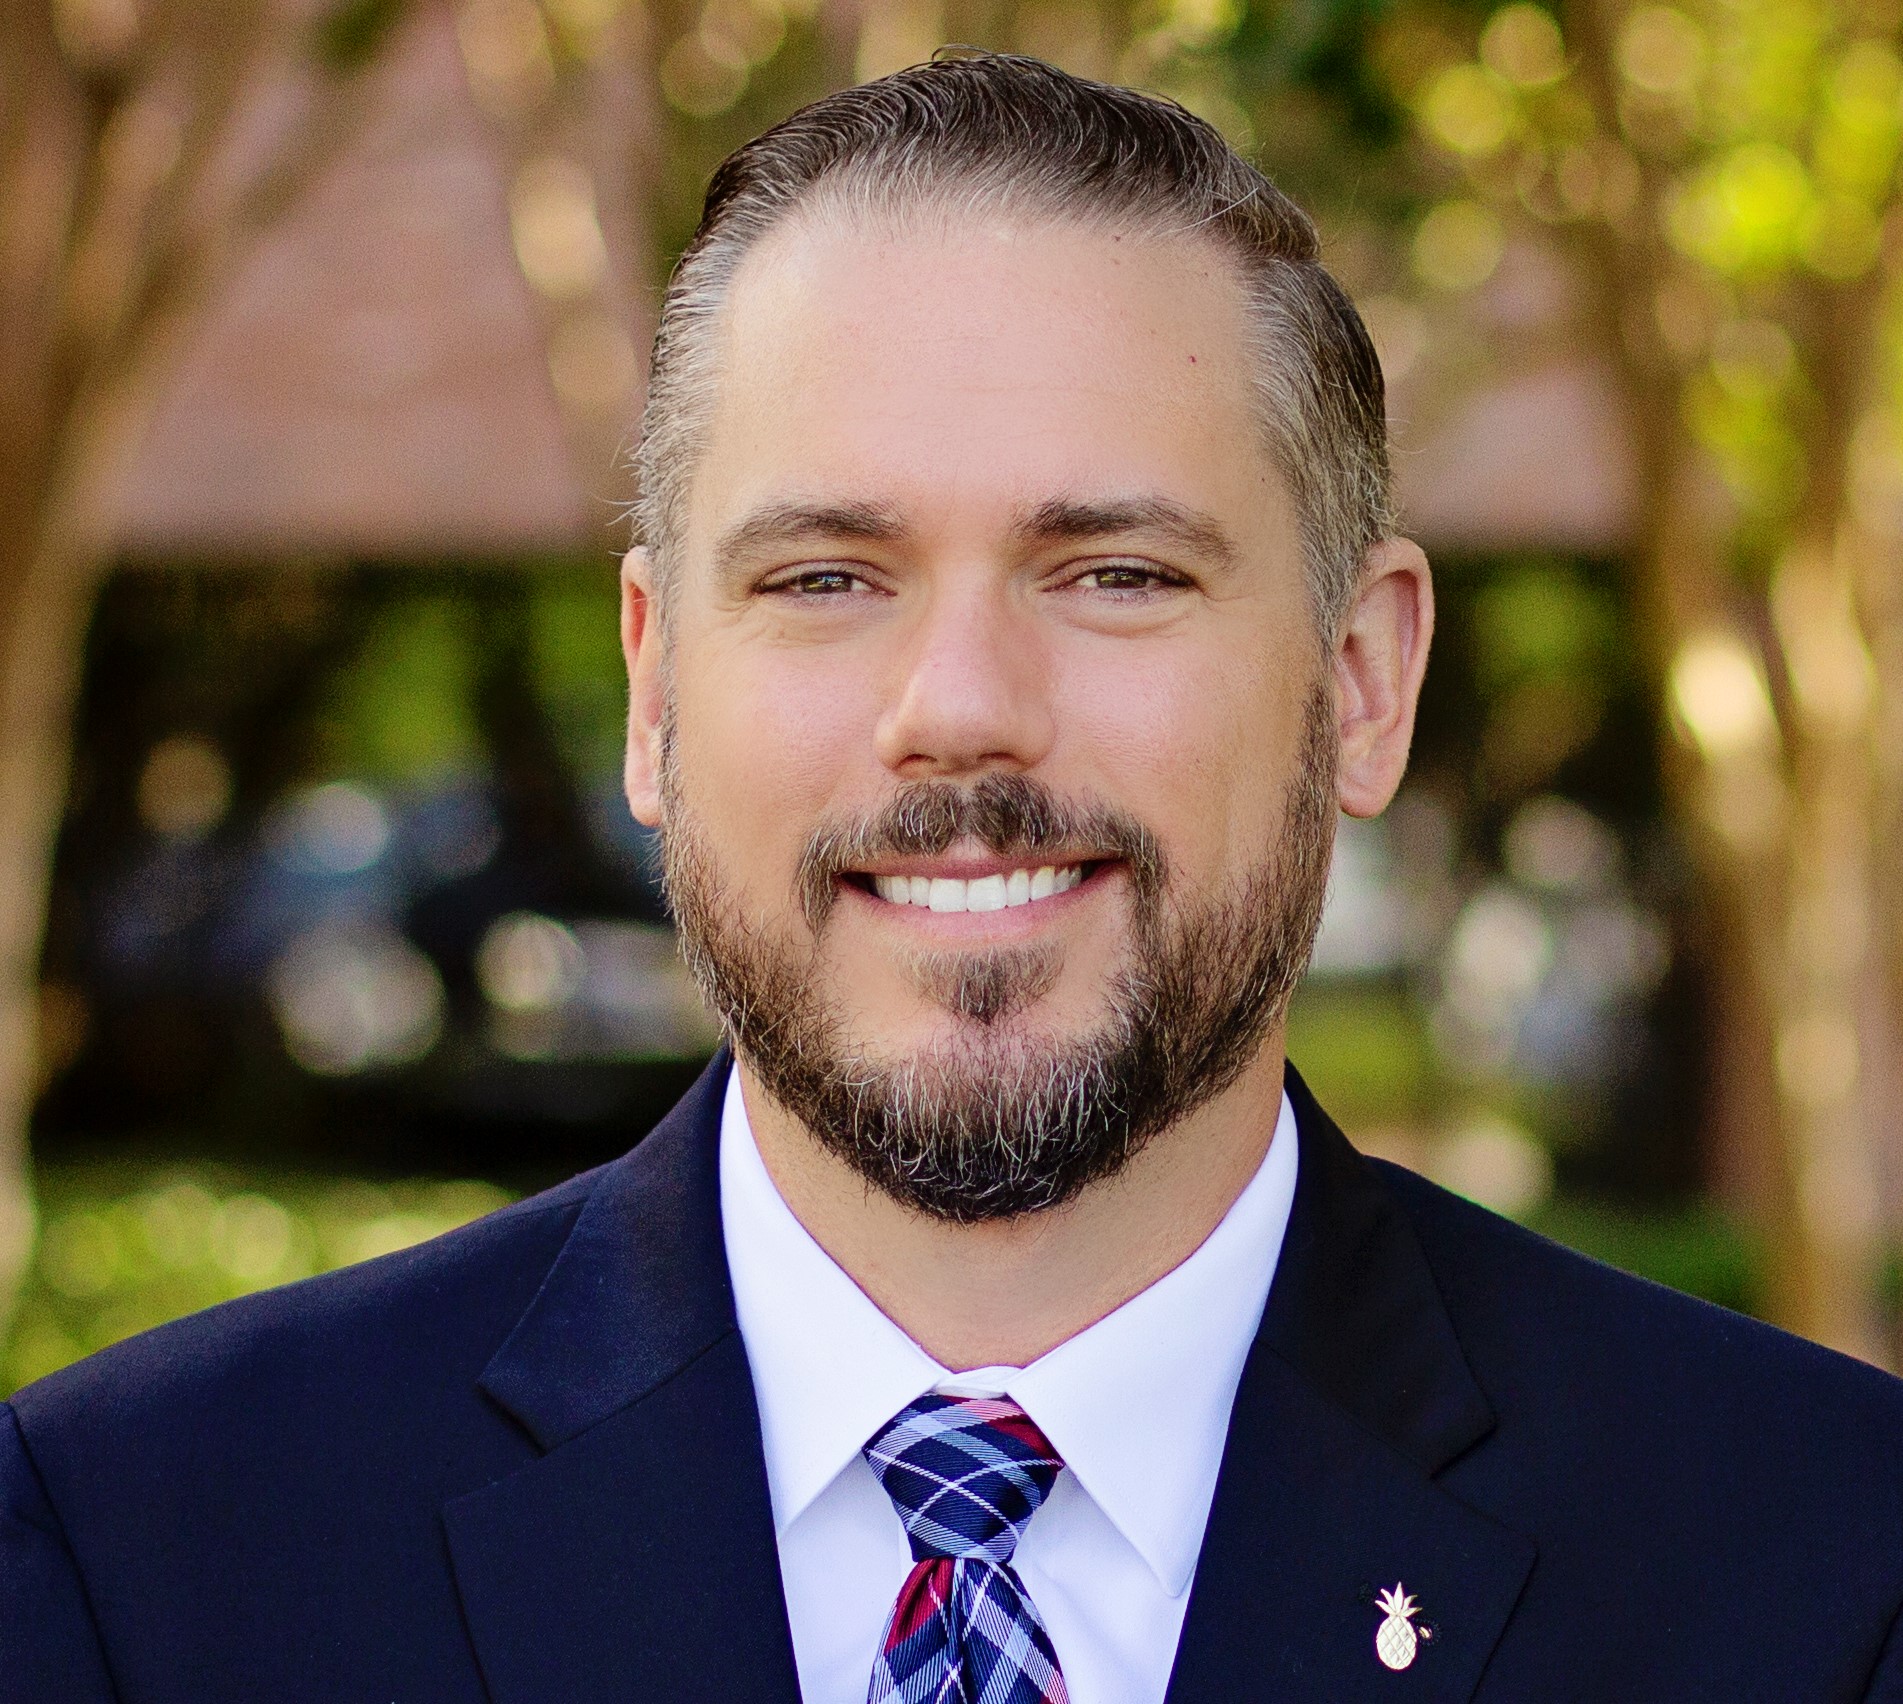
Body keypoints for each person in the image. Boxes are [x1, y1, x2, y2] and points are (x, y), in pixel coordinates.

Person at [4, 50, 1901, 1704]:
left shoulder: (1831, 1569)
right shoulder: (135, 1559)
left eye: (1117, 575)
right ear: (656, 692)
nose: (962, 715)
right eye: (827, 578)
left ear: (1362, 680)